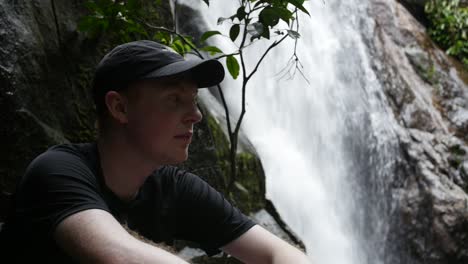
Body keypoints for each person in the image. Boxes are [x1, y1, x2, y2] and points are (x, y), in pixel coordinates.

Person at [0, 40, 310, 263]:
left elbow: (277, 252)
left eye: (194, 100)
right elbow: (118, 254)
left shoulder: (174, 186)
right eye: (175, 99)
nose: (196, 115)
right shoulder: (56, 172)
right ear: (119, 107)